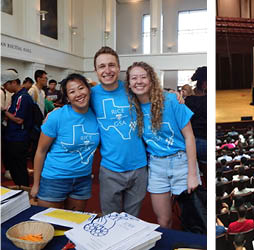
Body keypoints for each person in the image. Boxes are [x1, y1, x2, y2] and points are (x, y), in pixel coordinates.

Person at [126, 61, 200, 228]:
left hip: (182, 163)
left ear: (151, 80)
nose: (139, 81)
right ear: (129, 84)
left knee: (192, 221)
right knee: (163, 220)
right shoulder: (131, 107)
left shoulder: (172, 100)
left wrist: (192, 174)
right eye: (134, 78)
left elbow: (189, 137)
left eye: (143, 77)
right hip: (156, 166)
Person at [89, 46, 149, 216]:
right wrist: (55, 112)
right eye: (102, 66)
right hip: (110, 169)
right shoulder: (90, 94)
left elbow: (156, 97)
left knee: (132, 220)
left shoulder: (132, 89)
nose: (107, 70)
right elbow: (73, 109)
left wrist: (175, 94)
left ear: (119, 67)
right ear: (96, 70)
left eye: (111, 65)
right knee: (110, 219)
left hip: (139, 168)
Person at [30, 74, 99, 211]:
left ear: (89, 90)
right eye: (72, 92)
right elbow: (41, 151)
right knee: (48, 225)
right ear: (67, 97)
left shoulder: (97, 115)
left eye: (81, 88)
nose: (78, 94)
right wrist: (36, 184)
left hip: (82, 180)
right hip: (54, 179)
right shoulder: (57, 116)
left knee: (73, 225)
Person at [2, 69, 34, 188]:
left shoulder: (23, 97)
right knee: (15, 167)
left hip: (19, 138)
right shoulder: (16, 96)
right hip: (13, 137)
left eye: (6, 85)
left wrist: (4, 112)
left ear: (14, 82)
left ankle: (24, 193)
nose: (5, 88)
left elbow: (19, 119)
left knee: (19, 168)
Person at [184, 67, 206, 173]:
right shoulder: (206, 100)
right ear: (204, 84)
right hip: (202, 140)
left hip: (192, 140)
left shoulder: (188, 101)